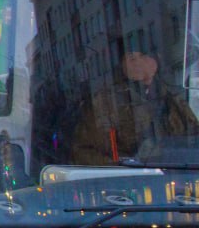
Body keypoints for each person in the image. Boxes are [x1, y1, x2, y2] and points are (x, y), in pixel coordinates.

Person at [71, 50, 199, 165]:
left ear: (155, 61)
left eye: (143, 56)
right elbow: (82, 151)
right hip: (129, 182)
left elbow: (193, 137)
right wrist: (122, 168)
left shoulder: (173, 98)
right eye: (132, 58)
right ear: (122, 65)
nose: (138, 62)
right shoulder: (105, 103)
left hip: (176, 178)